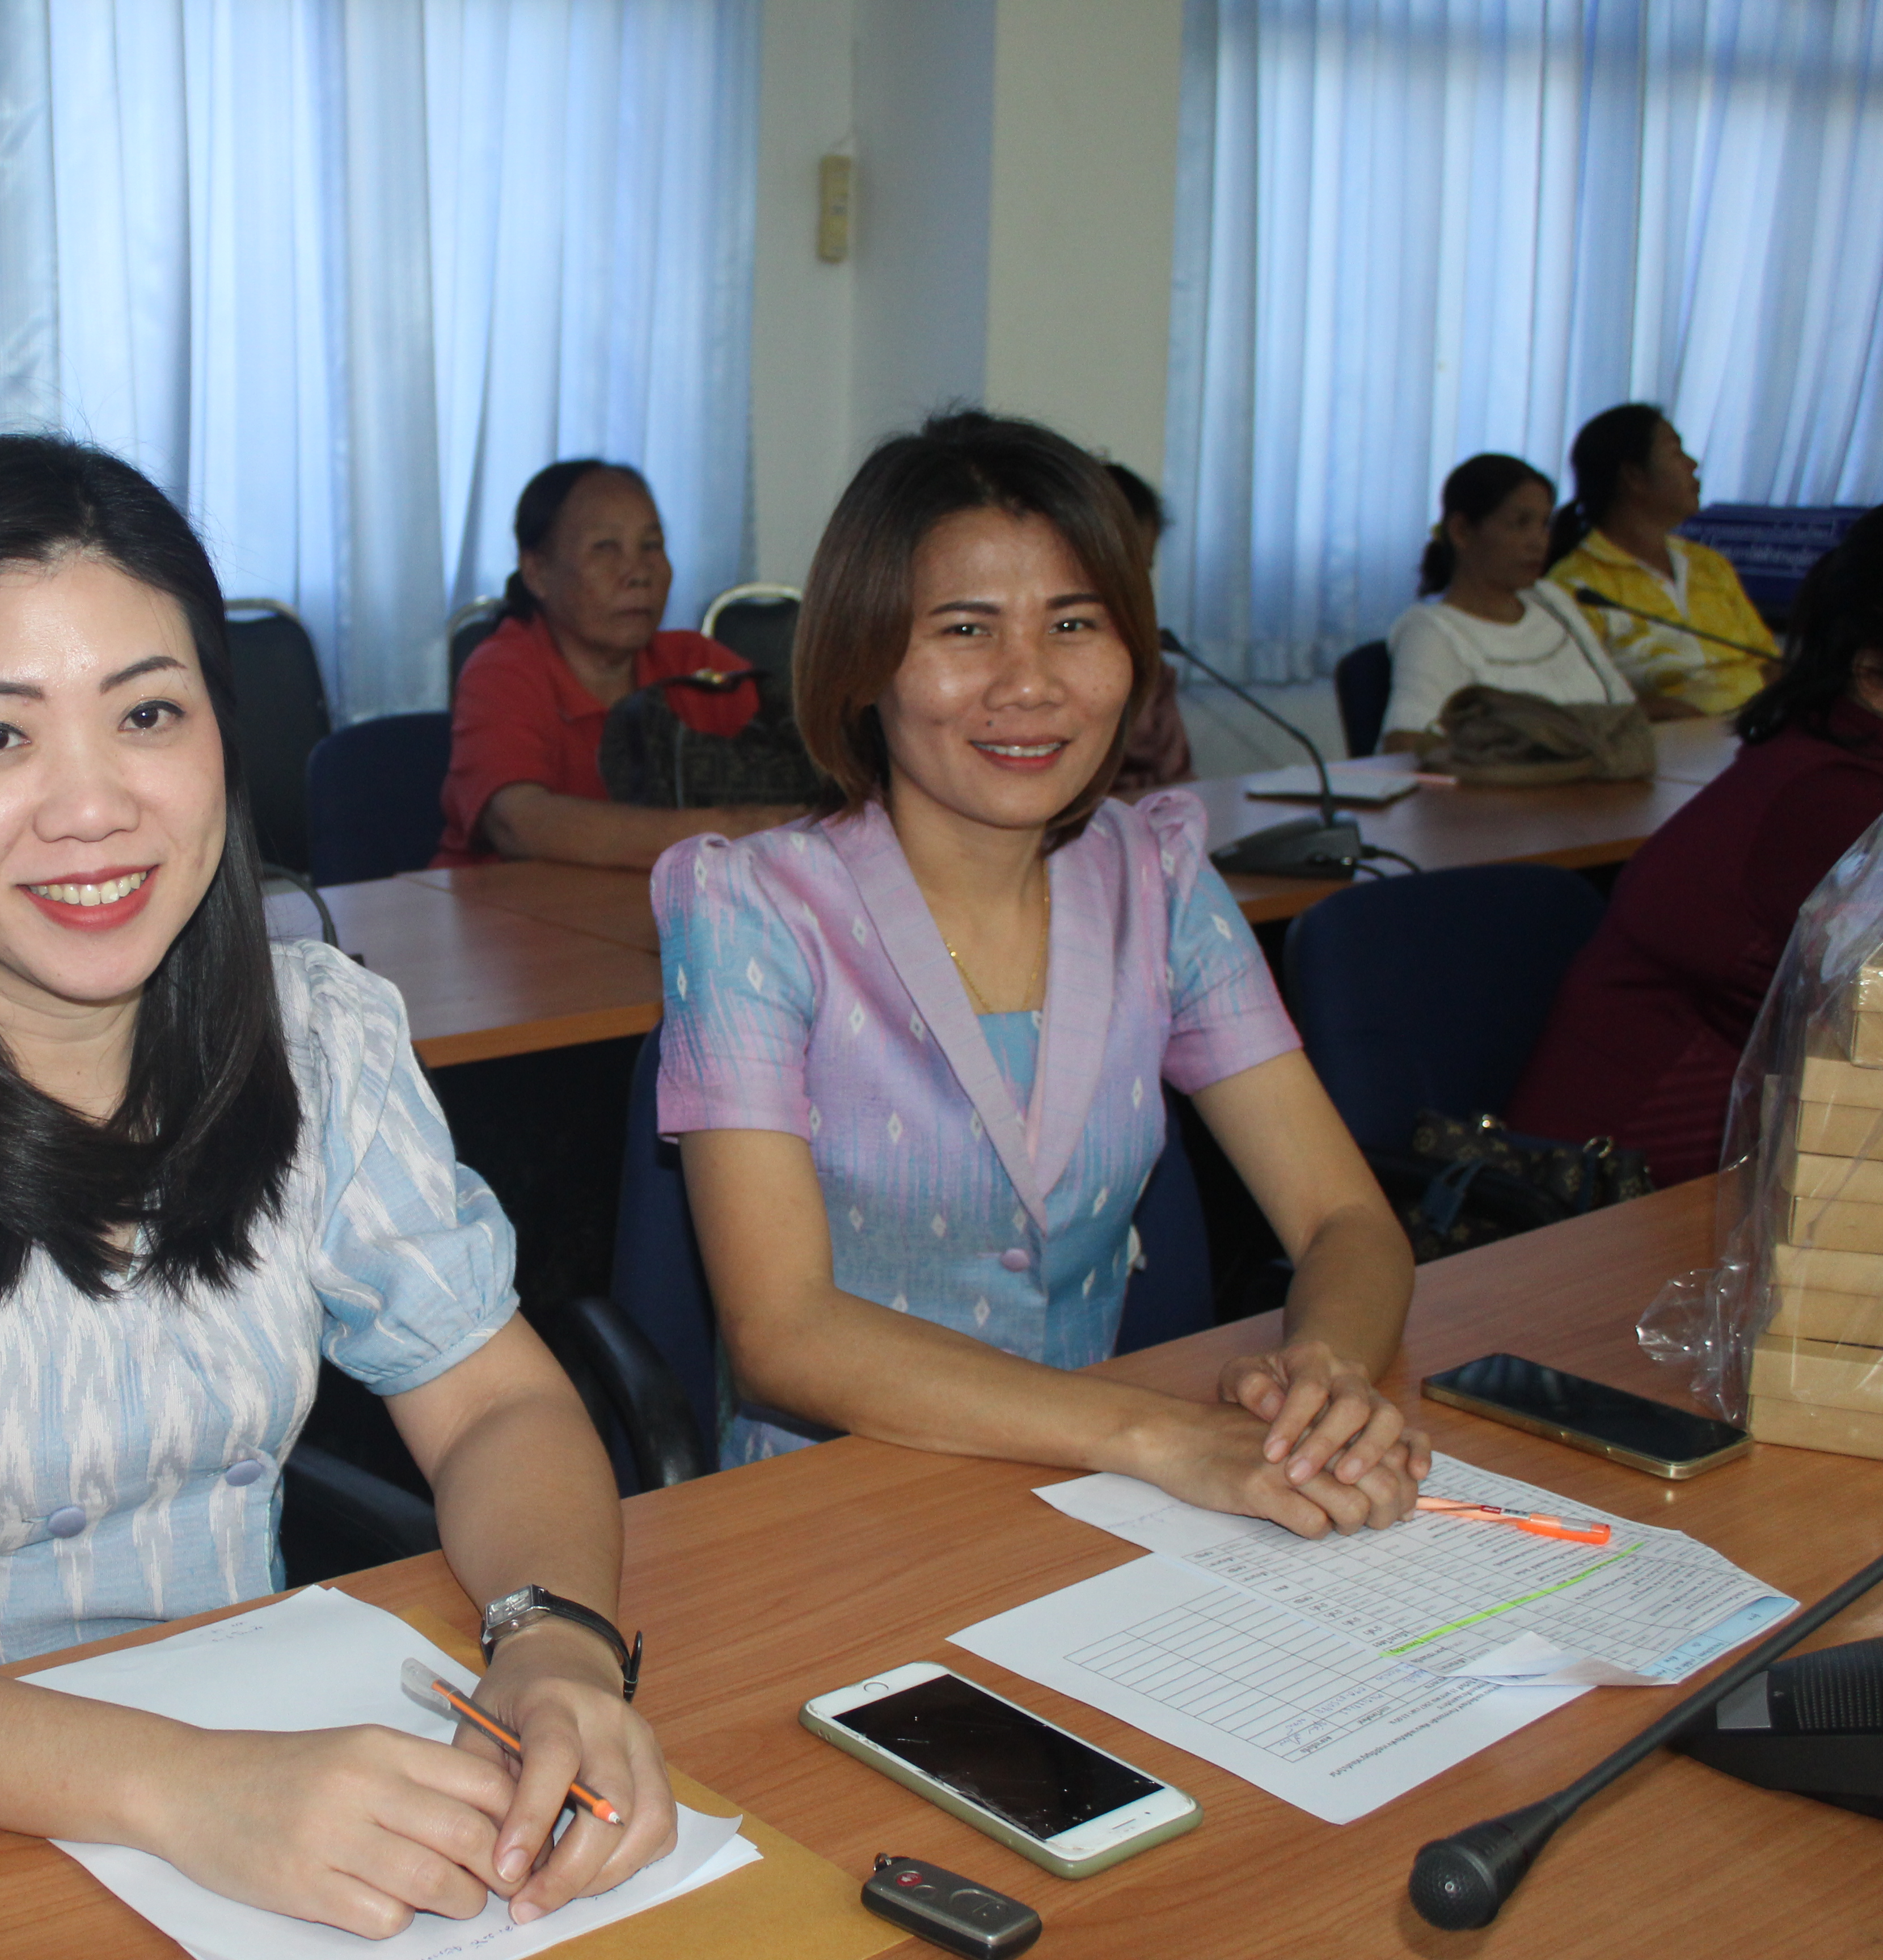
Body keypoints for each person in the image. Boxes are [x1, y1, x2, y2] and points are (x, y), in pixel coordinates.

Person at [0, 436, 673, 1939]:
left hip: (262, 1784)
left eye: (148, 714)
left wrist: (551, 1641)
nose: (90, 808)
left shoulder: (321, 1042)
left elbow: (496, 1404)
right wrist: (183, 1789)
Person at [652, 412, 1424, 1539]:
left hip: (1095, 1506)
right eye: (966, 630)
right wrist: (1154, 1435)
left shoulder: (1157, 877)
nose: (1031, 684)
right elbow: (783, 1332)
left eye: (1075, 623)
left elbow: (1346, 1217)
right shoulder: (753, 909)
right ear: (865, 658)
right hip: (834, 1512)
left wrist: (1327, 1378)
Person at [1510, 508, 1883, 1183]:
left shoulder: (1837, 754)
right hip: (1623, 1202)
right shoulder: (1834, 798)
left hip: (1761, 1181)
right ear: (1874, 671)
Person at [435, 460, 796, 868]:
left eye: (652, 546)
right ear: (536, 572)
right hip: (501, 915)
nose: (638, 573)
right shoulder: (502, 670)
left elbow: (810, 751)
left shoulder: (695, 662)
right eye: (606, 548)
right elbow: (519, 823)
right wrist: (735, 828)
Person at [1379, 454, 1631, 751]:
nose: (1538, 541)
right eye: (1520, 524)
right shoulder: (1433, 631)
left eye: (1544, 524)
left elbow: (1624, 709)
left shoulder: (1553, 602)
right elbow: (1405, 745)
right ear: (1461, 531)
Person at [1546, 404, 1777, 717]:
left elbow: (1770, 662)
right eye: (1676, 452)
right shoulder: (1574, 587)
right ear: (1635, 476)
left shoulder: (1709, 565)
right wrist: (1661, 711)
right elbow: (1574, 705)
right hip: (1667, 745)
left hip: (1750, 727)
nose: (1693, 464)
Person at [1100, 462, 1194, 791]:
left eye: (1143, 570)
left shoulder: (1151, 670)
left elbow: (1180, 781)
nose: (1132, 588)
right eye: (1120, 569)